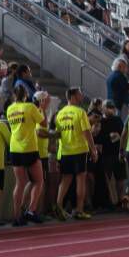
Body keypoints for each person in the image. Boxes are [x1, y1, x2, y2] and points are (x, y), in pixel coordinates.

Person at [5, 85, 46, 226]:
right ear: (26, 95)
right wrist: (42, 109)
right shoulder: (30, 107)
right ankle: (31, 210)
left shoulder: (10, 109)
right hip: (29, 147)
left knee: (20, 183)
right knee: (39, 181)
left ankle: (16, 216)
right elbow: (44, 123)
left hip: (14, 148)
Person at [54, 87, 96, 220]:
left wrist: (58, 155)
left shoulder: (60, 113)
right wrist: (93, 149)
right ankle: (79, 209)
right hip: (79, 150)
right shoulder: (80, 112)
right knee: (81, 180)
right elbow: (87, 132)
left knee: (65, 180)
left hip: (65, 151)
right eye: (79, 94)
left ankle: (58, 207)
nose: (82, 96)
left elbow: (58, 134)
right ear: (72, 96)